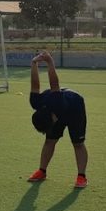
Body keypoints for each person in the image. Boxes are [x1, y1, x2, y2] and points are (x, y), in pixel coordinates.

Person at [27, 50, 88, 189]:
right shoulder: (36, 102)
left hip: (75, 108)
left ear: (52, 118)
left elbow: (54, 82)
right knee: (49, 140)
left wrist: (49, 62)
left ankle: (81, 176)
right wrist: (34, 63)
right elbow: (35, 85)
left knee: (78, 143)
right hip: (57, 107)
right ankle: (41, 171)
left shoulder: (57, 102)